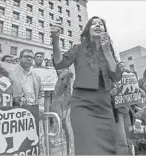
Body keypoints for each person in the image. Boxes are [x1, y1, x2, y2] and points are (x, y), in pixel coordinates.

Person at [51, 16, 122, 155]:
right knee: (87, 148)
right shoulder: (78, 48)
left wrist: (107, 51)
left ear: (105, 31)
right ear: (87, 30)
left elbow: (117, 76)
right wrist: (55, 40)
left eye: (101, 24)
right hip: (83, 104)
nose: (97, 25)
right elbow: (60, 63)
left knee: (110, 149)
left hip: (105, 106)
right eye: (94, 23)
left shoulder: (108, 50)